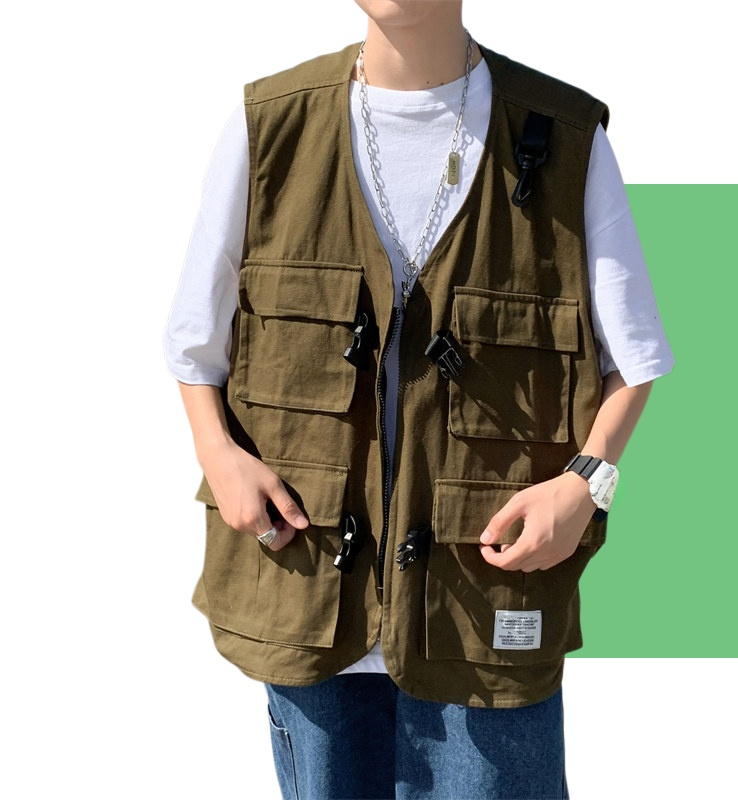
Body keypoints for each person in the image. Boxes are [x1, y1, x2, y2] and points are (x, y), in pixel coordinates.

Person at [164, 1, 674, 797]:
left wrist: (585, 483)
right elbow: (195, 341)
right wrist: (219, 456)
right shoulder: (270, 126)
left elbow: (634, 359)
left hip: (485, 606)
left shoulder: (566, 137)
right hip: (309, 593)